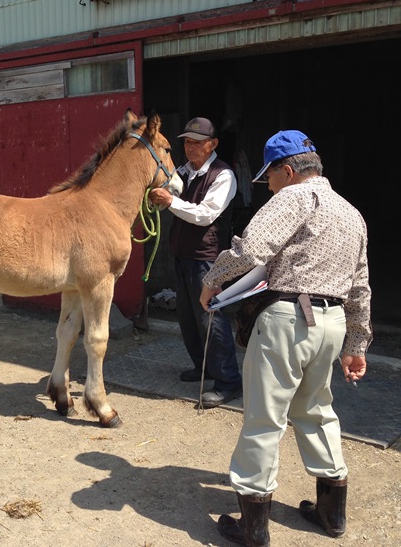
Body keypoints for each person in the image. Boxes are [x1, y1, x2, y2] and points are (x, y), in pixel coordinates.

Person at [198, 130, 372, 546]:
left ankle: (254, 526)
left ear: (288, 170)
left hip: (288, 319)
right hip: (331, 323)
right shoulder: (351, 212)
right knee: (316, 409)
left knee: (264, 417)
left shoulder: (293, 198)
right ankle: (332, 513)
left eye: (269, 178)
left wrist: (213, 281)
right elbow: (361, 285)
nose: (268, 186)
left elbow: (251, 248)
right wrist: (356, 345)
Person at [149, 117, 242, 408]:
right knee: (187, 318)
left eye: (197, 143)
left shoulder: (223, 175)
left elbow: (205, 214)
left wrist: (170, 202)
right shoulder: (183, 172)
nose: (190, 148)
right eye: (187, 142)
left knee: (210, 319)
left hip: (206, 258)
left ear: (212, 144)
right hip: (182, 252)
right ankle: (203, 368)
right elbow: (168, 191)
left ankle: (228, 381)